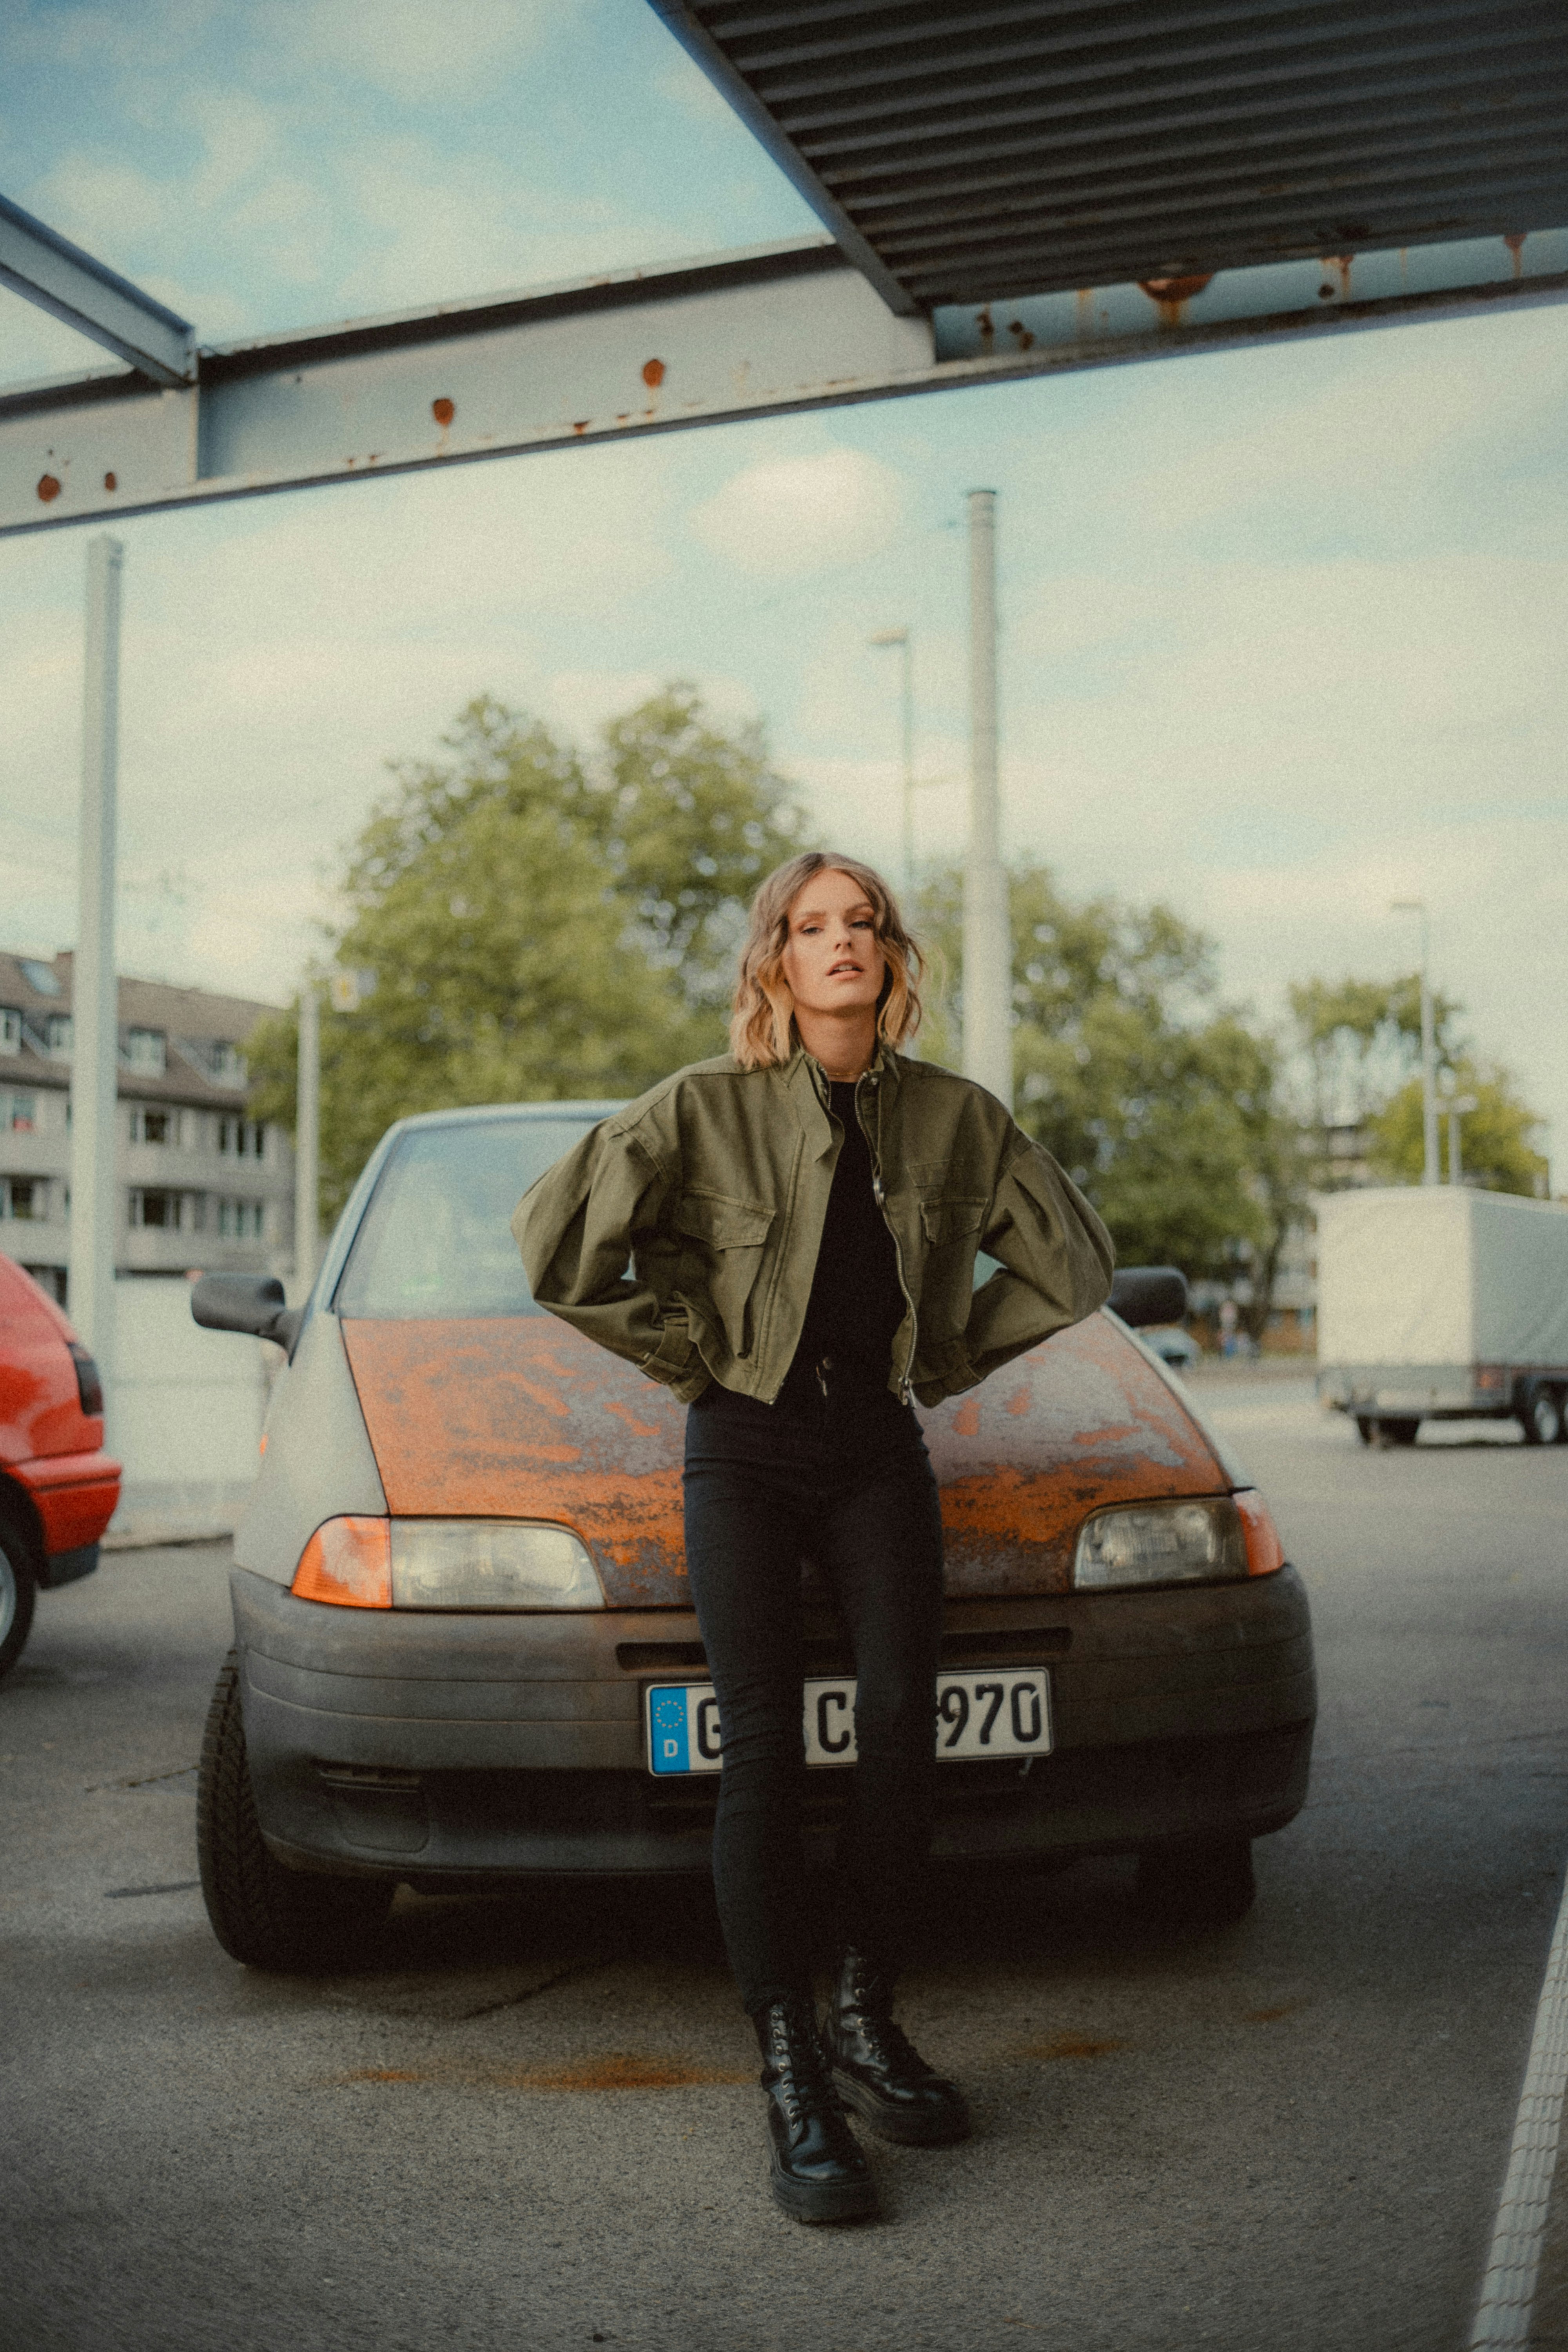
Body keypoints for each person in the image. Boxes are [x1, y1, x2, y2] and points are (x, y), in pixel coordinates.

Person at [512, 851, 1113, 2223]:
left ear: (894, 959)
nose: (838, 943)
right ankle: (788, 2070)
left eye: (862, 924)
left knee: (903, 1729)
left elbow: (1071, 1264)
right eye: (808, 926)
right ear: (773, 962)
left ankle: (866, 2011)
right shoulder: (699, 1111)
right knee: (764, 1752)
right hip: (743, 1449)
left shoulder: (960, 1120)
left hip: (873, 1449)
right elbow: (558, 1255)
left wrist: (945, 1352)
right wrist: (693, 1357)